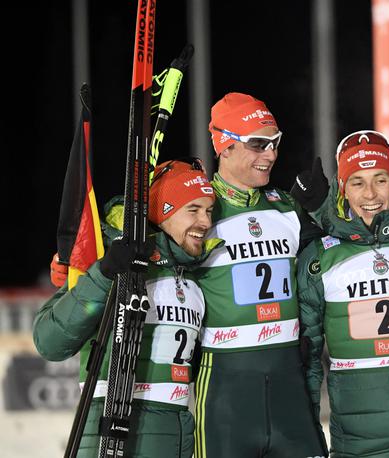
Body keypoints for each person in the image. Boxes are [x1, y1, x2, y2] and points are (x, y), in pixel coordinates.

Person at [34, 158, 222, 457]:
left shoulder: (197, 275)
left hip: (176, 431)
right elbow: (50, 342)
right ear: (163, 213)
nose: (206, 222)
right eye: (193, 210)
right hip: (106, 424)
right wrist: (104, 273)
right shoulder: (110, 259)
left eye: (209, 211)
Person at [193, 92, 327, 458]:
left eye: (275, 143)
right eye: (258, 144)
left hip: (288, 380)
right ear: (225, 145)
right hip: (227, 385)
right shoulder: (200, 213)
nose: (270, 154)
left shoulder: (285, 207)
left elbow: (340, 253)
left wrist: (322, 207)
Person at [293, 130, 389, 457]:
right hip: (358, 445)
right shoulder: (320, 256)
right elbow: (307, 361)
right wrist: (308, 435)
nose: (370, 194)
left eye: (380, 179)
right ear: (342, 189)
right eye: (357, 182)